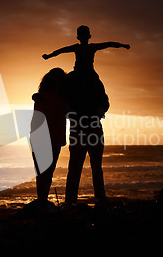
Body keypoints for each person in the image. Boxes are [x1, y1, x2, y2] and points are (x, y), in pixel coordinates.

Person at [43, 25, 130, 205]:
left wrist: (100, 110)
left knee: (94, 168)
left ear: (86, 36)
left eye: (84, 36)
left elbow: (105, 100)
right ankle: (71, 202)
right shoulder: (71, 80)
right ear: (81, 37)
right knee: (76, 168)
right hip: (79, 128)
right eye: (82, 36)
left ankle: (99, 200)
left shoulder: (94, 80)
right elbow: (60, 97)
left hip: (93, 127)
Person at [31, 68, 67, 211]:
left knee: (44, 173)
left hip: (47, 137)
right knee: (44, 173)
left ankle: (42, 202)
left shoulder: (49, 96)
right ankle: (42, 202)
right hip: (46, 137)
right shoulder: (49, 97)